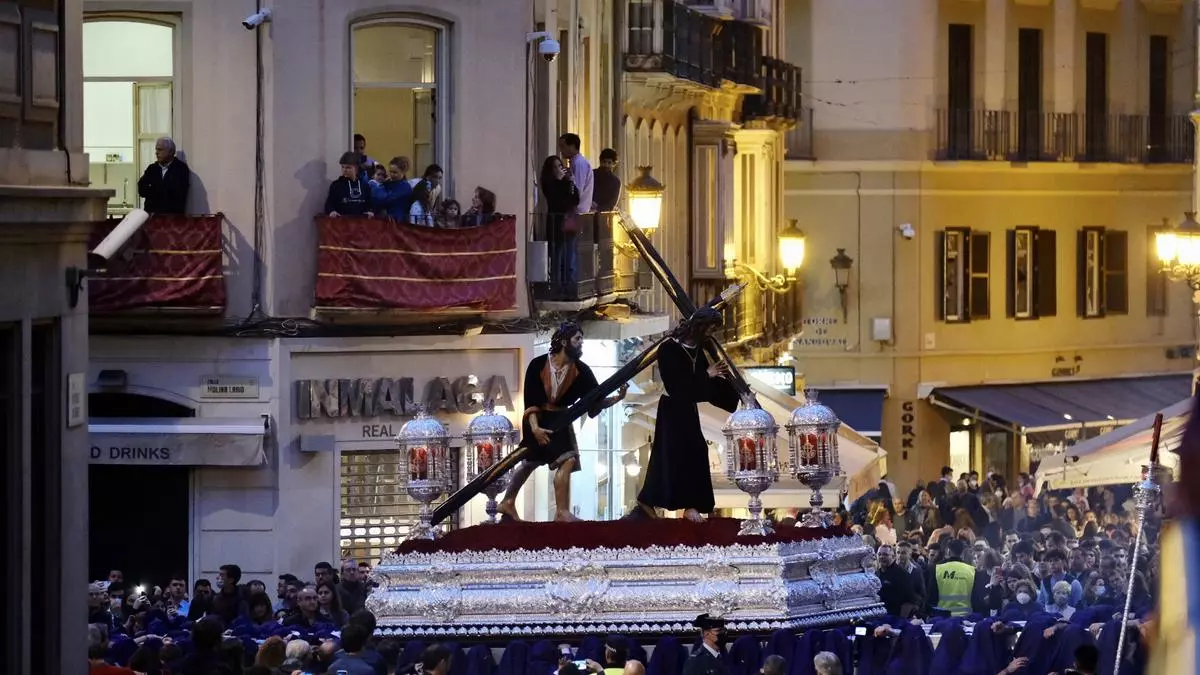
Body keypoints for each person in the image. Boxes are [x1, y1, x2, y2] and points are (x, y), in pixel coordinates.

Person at [496, 322, 627, 522]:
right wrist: (536, 429)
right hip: (537, 420)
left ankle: (561, 512)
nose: (581, 343)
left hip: (561, 420)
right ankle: (508, 502)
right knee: (529, 462)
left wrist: (618, 398)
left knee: (567, 460)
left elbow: (594, 400)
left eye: (581, 338)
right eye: (577, 339)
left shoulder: (581, 371)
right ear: (564, 341)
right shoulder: (538, 365)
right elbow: (531, 400)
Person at [634, 307, 738, 522]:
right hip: (672, 409)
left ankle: (682, 504)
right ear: (700, 326)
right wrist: (706, 374)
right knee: (673, 454)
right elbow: (677, 387)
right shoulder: (668, 349)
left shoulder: (698, 350)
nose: (711, 333)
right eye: (710, 328)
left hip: (687, 409)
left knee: (693, 451)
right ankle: (680, 505)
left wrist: (735, 392)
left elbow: (706, 385)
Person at [136, 137, 190, 214]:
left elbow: (175, 193)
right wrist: (160, 190)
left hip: (172, 218)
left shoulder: (180, 169)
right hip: (152, 217)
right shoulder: (152, 168)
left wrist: (152, 188)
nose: (156, 152)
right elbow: (141, 189)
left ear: (171, 152)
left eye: (160, 150)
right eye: (156, 149)